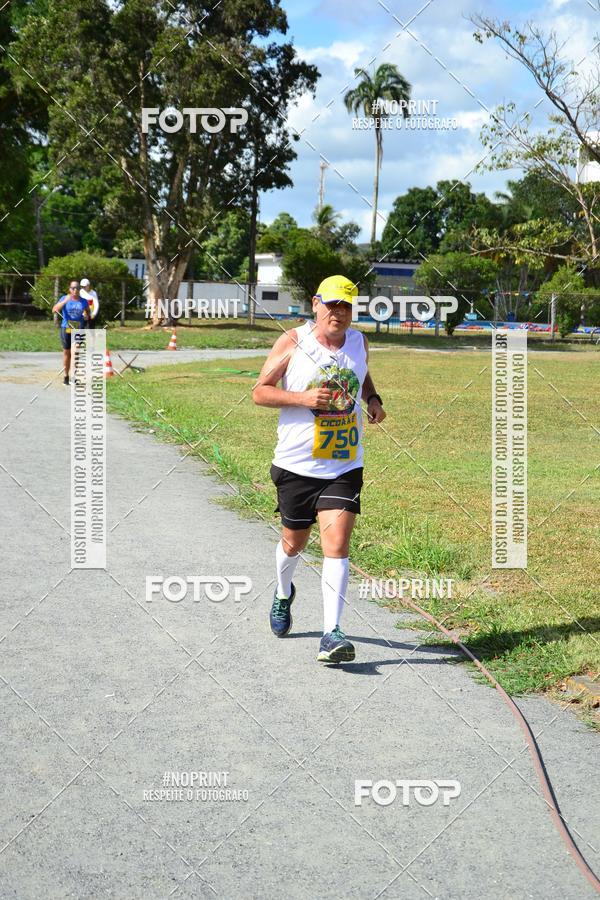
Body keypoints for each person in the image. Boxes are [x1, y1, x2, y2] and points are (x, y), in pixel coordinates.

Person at [252, 275, 386, 664]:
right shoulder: (294, 342)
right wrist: (303, 397)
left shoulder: (360, 341)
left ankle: (332, 633)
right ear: (315, 304)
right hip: (296, 465)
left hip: (344, 465)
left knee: (337, 545)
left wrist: (373, 398)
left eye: (346, 306)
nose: (338, 313)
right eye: (331, 305)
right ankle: (283, 592)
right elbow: (260, 391)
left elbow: (361, 376)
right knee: (294, 543)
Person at [52, 281, 89, 385]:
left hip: (78, 329)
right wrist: (64, 301)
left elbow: (87, 312)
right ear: (70, 289)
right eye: (73, 288)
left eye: (77, 288)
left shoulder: (84, 301)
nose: (75, 290)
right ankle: (66, 376)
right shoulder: (64, 298)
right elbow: (54, 310)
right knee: (67, 354)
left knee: (76, 351)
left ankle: (74, 376)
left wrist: (86, 315)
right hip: (66, 328)